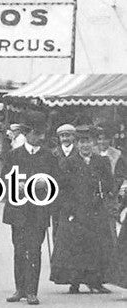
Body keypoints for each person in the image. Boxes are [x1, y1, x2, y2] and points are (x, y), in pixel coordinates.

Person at [50, 126, 117, 294]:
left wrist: (105, 196)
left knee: (97, 245)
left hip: (96, 209)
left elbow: (110, 183)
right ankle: (75, 282)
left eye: (88, 142)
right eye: (81, 142)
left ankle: (96, 281)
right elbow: (62, 188)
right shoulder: (68, 163)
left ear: (93, 144)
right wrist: (69, 209)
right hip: (75, 210)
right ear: (77, 144)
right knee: (75, 246)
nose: (85, 146)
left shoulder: (101, 161)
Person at [3, 117, 57, 305]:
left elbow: (55, 182)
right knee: (19, 249)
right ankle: (20, 289)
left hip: (38, 211)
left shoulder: (49, 156)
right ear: (26, 134)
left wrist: (46, 183)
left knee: (34, 250)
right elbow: (5, 177)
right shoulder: (14, 155)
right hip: (18, 210)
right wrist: (14, 185)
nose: (40, 137)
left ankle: (32, 291)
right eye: (36, 133)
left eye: (42, 133)